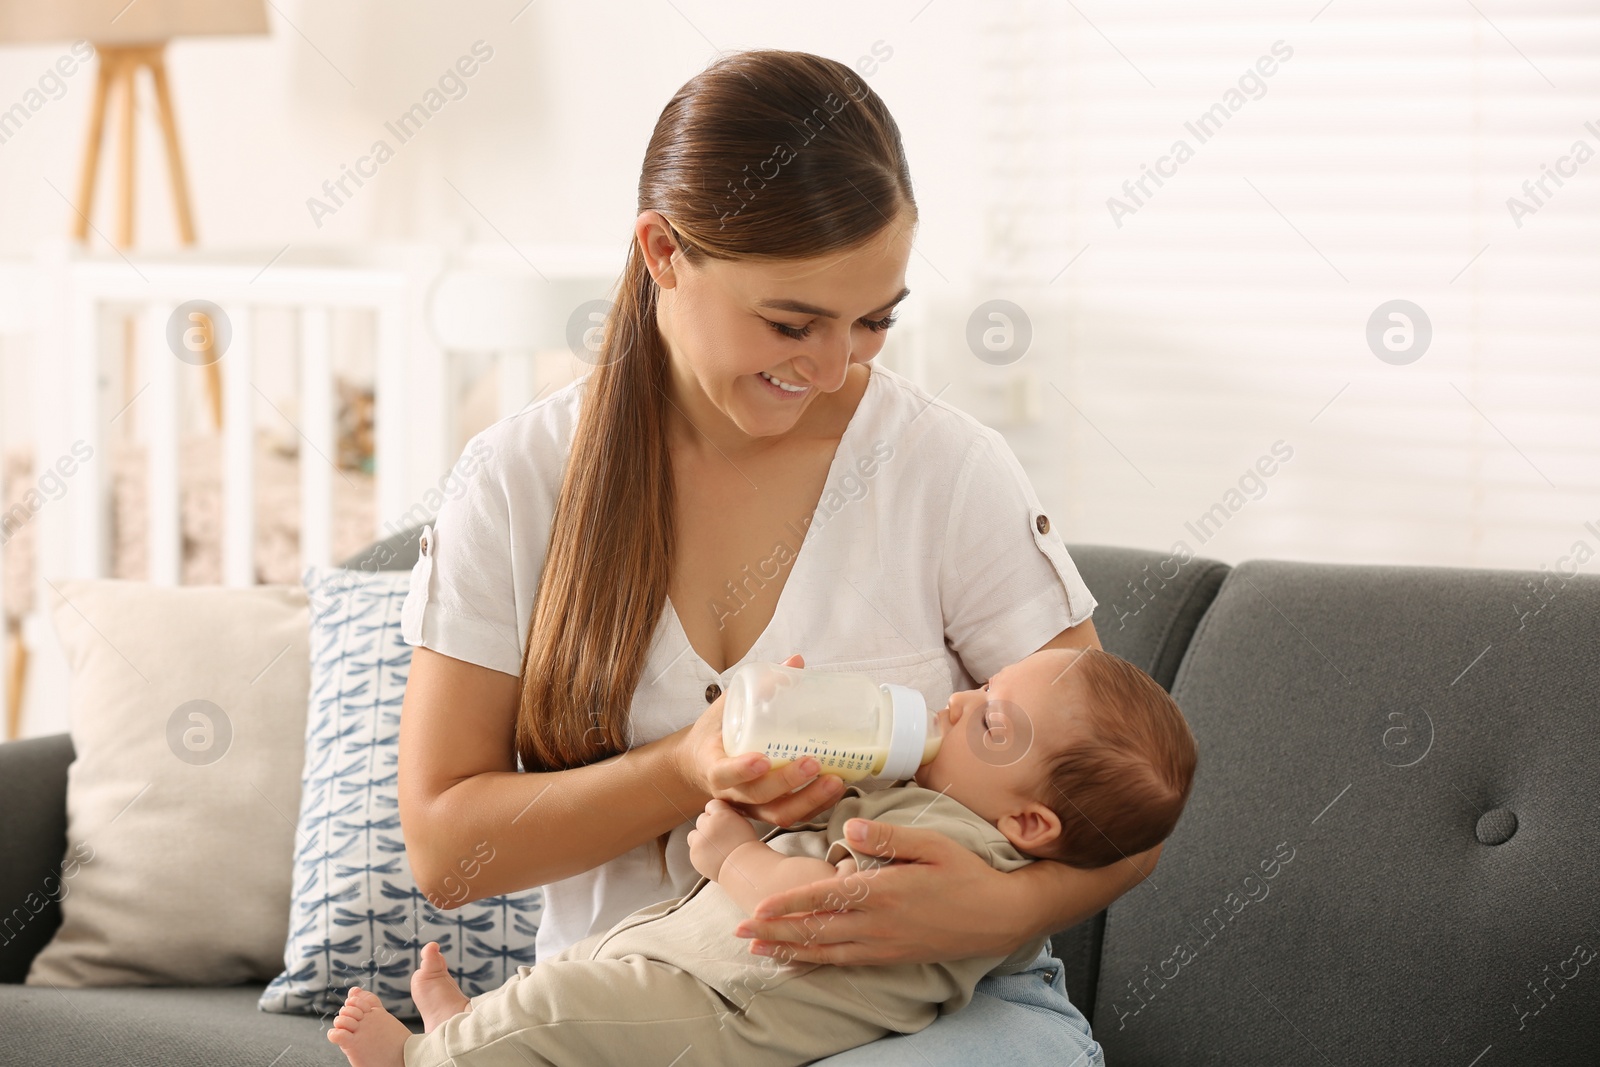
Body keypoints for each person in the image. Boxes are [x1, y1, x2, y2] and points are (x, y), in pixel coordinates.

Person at [395, 48, 1165, 1067]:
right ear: (663, 252)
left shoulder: (944, 468)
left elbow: (1123, 798)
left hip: (929, 1013)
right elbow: (449, 850)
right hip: (635, 1011)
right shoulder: (515, 482)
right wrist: (682, 767)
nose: (837, 367)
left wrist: (985, 904)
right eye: (792, 322)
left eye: (873, 322)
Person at [331, 647, 1198, 1065]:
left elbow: (814, 909)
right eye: (986, 684)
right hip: (703, 967)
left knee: (568, 1006)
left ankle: (420, 1060)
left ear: (1034, 823)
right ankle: (466, 1034)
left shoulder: (957, 844)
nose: (964, 696)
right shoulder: (940, 802)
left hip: (734, 1012)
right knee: (581, 978)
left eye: (994, 720)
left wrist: (735, 853)